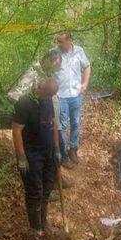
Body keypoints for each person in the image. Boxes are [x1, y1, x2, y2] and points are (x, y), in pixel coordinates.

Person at [8, 49, 73, 191]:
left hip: (50, 119)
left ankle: (55, 180)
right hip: (36, 121)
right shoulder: (33, 73)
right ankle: (43, 187)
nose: (55, 69)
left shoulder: (48, 73)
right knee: (40, 153)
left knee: (55, 149)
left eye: (56, 67)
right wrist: (26, 112)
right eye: (53, 65)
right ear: (46, 61)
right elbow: (16, 95)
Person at [12, 78, 61, 236]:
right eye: (47, 94)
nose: (48, 97)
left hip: (48, 153)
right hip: (31, 154)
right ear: (39, 87)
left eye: (51, 95)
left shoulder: (48, 101)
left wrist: (57, 149)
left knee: (46, 190)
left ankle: (43, 223)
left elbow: (53, 125)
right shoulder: (24, 103)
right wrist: (21, 157)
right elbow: (16, 130)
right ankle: (35, 228)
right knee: (35, 191)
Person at [55, 32, 91, 168]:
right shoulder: (54, 53)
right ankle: (63, 154)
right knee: (62, 125)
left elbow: (87, 66)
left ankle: (73, 149)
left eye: (61, 41)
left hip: (75, 94)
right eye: (57, 41)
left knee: (76, 122)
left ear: (69, 40)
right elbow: (44, 68)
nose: (59, 44)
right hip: (60, 95)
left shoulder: (79, 51)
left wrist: (85, 83)